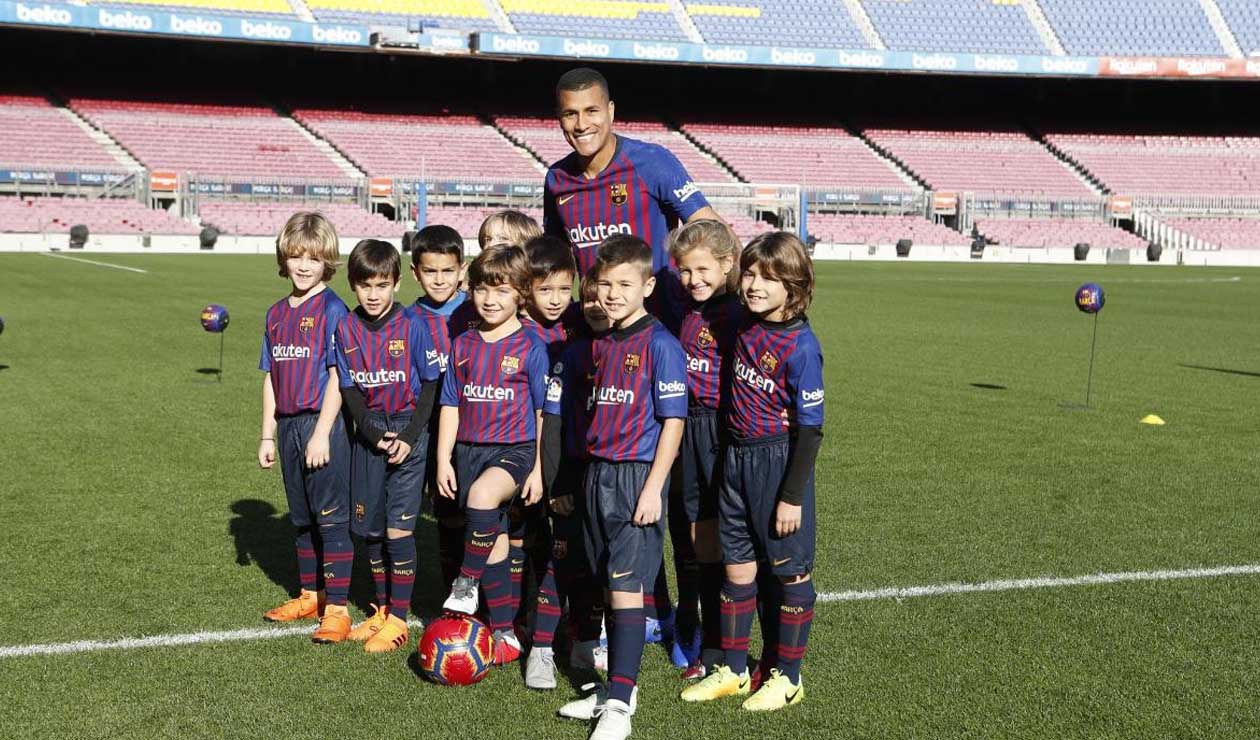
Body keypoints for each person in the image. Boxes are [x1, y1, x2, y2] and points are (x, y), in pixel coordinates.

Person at [680, 232, 824, 711]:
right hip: (735, 458)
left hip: (776, 461)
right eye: (751, 274)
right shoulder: (741, 321)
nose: (755, 285)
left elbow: (810, 430)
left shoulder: (802, 347)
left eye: (768, 278)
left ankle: (789, 677)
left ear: (796, 284)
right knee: (736, 566)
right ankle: (735, 670)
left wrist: (792, 495)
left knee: (789, 572)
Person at [554, 235, 688, 740]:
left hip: (636, 477)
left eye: (624, 284)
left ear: (648, 286)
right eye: (603, 283)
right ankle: (616, 688)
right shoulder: (601, 344)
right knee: (606, 585)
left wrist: (654, 489)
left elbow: (672, 424)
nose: (611, 294)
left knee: (627, 592)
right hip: (597, 475)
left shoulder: (660, 345)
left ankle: (620, 709)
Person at [436, 245, 549, 667]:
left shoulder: (531, 346)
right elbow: (450, 404)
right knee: (495, 543)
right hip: (467, 451)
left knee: (482, 498)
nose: (489, 299)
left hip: (514, 451)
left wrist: (536, 467)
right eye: (481, 289)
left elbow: (542, 411)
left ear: (520, 293)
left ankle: (465, 584)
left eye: (500, 291)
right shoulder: (463, 344)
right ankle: (504, 631)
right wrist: (443, 459)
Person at [543, 66, 722, 333]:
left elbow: (711, 227)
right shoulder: (557, 179)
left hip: (663, 329)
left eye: (592, 111)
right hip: (596, 335)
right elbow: (555, 260)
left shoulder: (651, 161)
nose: (581, 124)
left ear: (611, 111)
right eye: (570, 114)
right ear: (559, 118)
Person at [332, 239, 440, 653]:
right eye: (364, 286)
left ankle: (398, 617)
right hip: (370, 433)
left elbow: (431, 383)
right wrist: (375, 435)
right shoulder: (346, 327)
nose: (373, 295)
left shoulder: (413, 325)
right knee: (371, 529)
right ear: (353, 286)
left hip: (409, 431)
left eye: (381, 285)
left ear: (396, 283)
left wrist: (410, 437)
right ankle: (380, 609)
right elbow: (349, 389)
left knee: (399, 529)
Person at [257, 212, 353, 644]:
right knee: (301, 519)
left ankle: (337, 609)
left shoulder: (333, 309)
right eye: (296, 256)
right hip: (289, 426)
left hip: (321, 425)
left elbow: (338, 375)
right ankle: (309, 594)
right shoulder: (276, 314)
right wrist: (267, 433)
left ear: (327, 262)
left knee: (330, 519)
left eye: (313, 258)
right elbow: (269, 376)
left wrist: (322, 431)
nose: (303, 265)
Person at [668, 219, 745, 679]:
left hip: (718, 433)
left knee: (718, 542)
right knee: (693, 537)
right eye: (684, 271)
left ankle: (718, 644)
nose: (693, 280)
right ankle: (694, 625)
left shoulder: (734, 314)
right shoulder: (688, 309)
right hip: (686, 431)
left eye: (702, 270)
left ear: (727, 264)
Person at [528, 269, 609, 689]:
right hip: (572, 473)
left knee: (599, 565)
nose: (598, 305)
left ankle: (585, 643)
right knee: (561, 560)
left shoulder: (636, 348)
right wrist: (556, 485)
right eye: (590, 297)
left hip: (614, 476)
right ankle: (540, 649)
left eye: (605, 297)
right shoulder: (570, 355)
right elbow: (554, 426)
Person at [511, 235, 585, 639]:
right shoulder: (519, 333)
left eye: (563, 288)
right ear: (526, 290)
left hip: (571, 447)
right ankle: (526, 618)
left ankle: (573, 618)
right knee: (531, 538)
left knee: (569, 540)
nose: (556, 299)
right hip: (528, 448)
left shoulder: (578, 322)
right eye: (545, 290)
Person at [408, 225, 480, 605]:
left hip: (476, 429)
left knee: (482, 514)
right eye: (430, 271)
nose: (439, 279)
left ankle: (494, 593)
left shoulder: (478, 310)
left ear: (462, 269)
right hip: (428, 431)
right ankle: (454, 591)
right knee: (447, 512)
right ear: (415, 272)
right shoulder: (406, 319)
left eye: (448, 270)